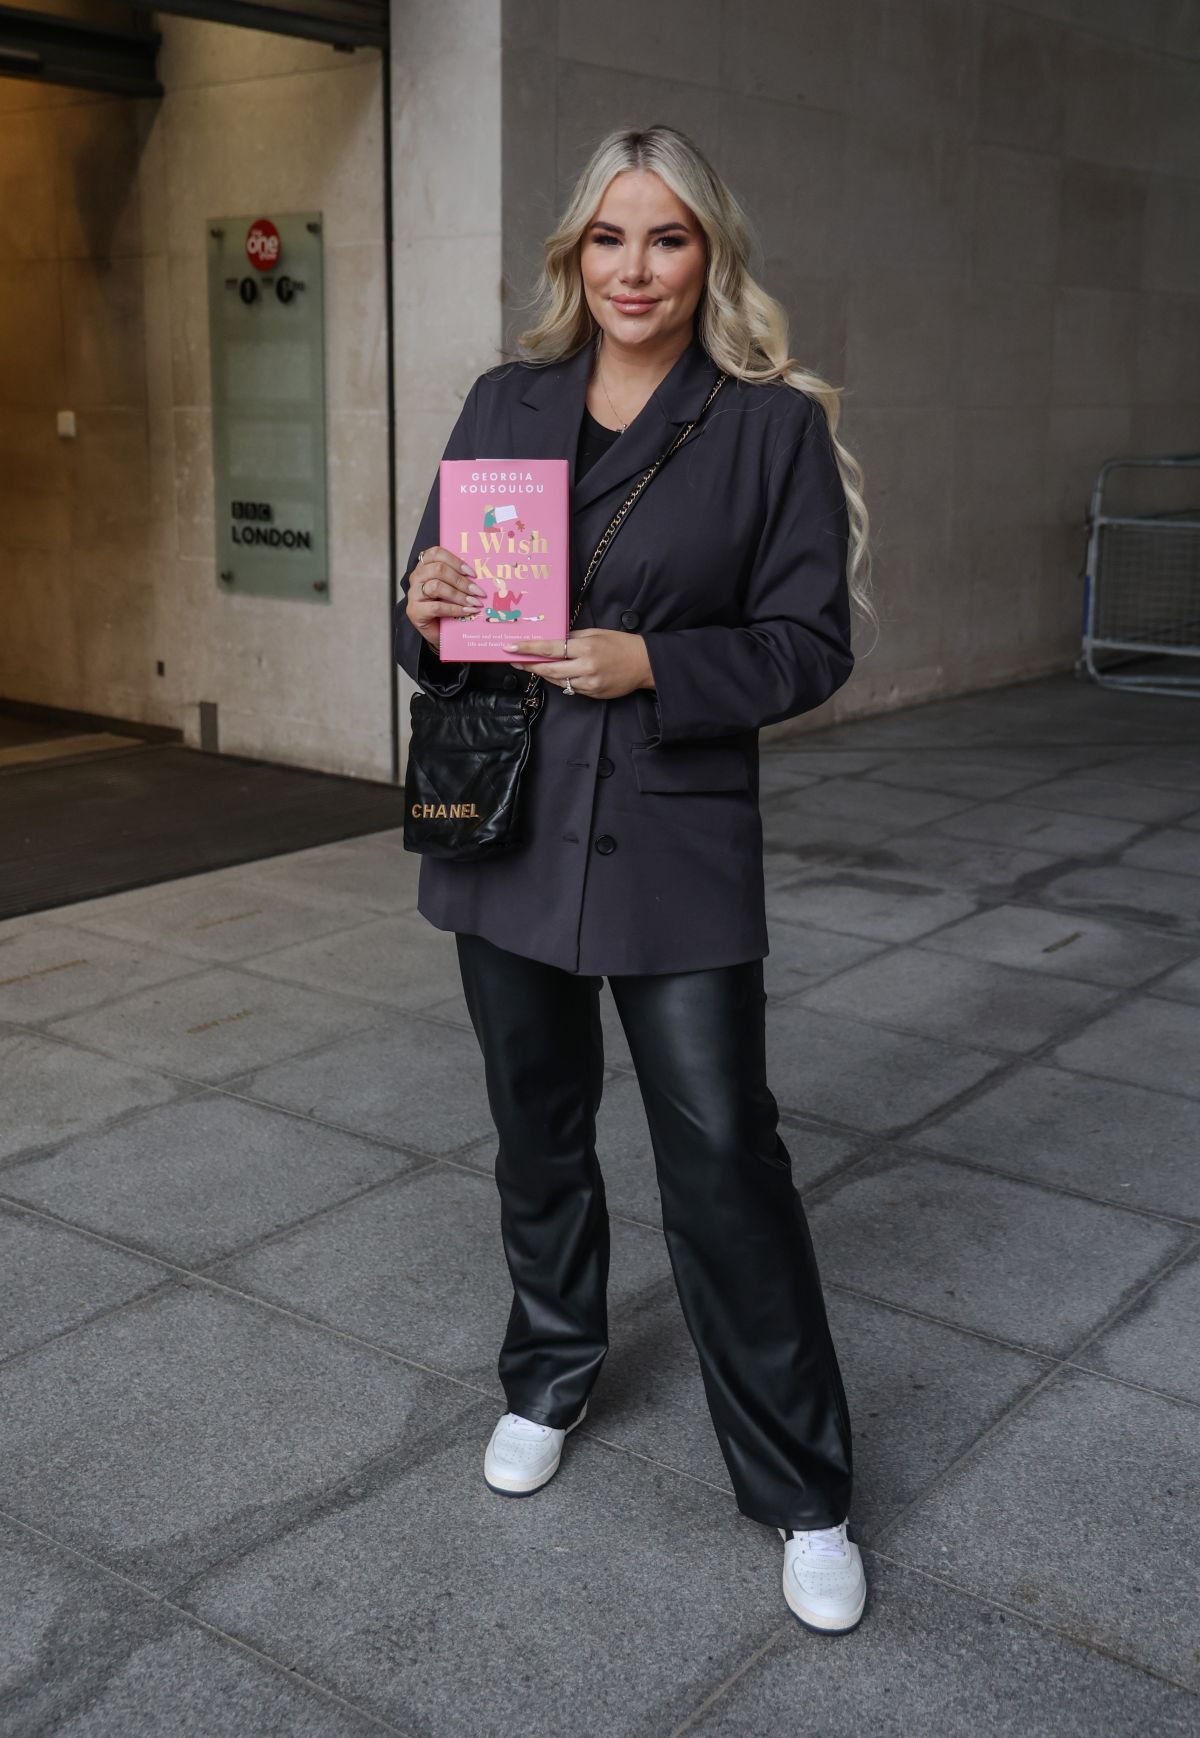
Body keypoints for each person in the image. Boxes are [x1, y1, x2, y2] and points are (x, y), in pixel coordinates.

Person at [394, 124, 875, 1636]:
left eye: (666, 240)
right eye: (610, 239)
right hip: (513, 826)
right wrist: (428, 603)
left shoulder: (766, 426)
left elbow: (811, 643)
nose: (636, 270)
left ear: (709, 253)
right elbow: (441, 623)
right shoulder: (505, 401)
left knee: (727, 1154)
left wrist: (653, 657)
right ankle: (549, 1369)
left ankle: (803, 1484)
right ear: (573, 254)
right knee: (535, 1128)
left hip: (671, 834)